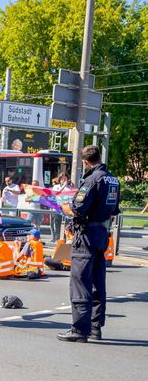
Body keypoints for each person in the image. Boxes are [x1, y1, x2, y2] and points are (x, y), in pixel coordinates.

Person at [58, 145, 120, 342]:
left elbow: (78, 208)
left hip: (86, 235)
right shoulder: (113, 180)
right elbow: (113, 210)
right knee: (97, 281)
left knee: (80, 281)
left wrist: (64, 206)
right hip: (102, 233)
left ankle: (79, 329)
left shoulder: (92, 180)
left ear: (85, 162)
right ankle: (95, 327)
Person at [51, 172, 74, 241]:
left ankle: (66, 240)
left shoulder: (70, 187)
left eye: (65, 179)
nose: (63, 180)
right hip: (57, 209)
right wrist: (63, 186)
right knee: (57, 225)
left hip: (67, 210)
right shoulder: (56, 186)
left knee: (67, 226)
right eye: (62, 179)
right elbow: (56, 193)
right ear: (59, 180)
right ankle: (58, 240)